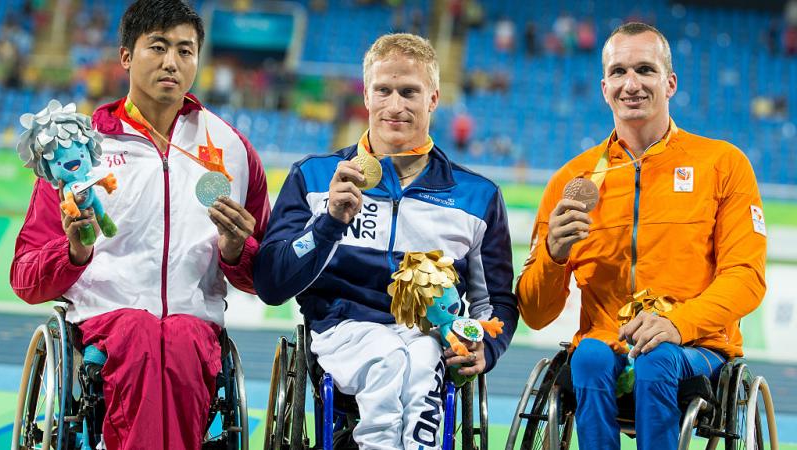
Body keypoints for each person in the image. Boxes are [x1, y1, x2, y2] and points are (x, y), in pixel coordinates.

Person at [10, 1, 270, 448]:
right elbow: (25, 277)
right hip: (108, 326)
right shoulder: (77, 146)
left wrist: (236, 251)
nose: (172, 62)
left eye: (185, 51)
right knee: (141, 334)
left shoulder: (233, 149)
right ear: (126, 56)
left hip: (195, 329)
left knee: (181, 337)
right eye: (158, 47)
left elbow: (265, 276)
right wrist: (73, 252)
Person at [253, 33, 518, 450]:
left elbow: (497, 301)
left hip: (429, 339)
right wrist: (329, 224)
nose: (396, 106)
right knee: (391, 358)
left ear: (433, 98)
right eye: (384, 91)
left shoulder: (477, 196)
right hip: (342, 332)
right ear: (366, 95)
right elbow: (271, 284)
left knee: (419, 359)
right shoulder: (315, 178)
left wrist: (486, 344)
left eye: (409, 92)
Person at [515, 22, 766, 450]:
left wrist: (677, 324)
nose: (631, 84)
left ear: (669, 83)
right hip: (603, 346)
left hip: (695, 347)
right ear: (604, 87)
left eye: (645, 70)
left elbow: (746, 277)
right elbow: (536, 314)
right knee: (590, 355)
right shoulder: (570, 181)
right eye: (618, 72)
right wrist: (553, 257)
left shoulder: (722, 164)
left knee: (656, 359)